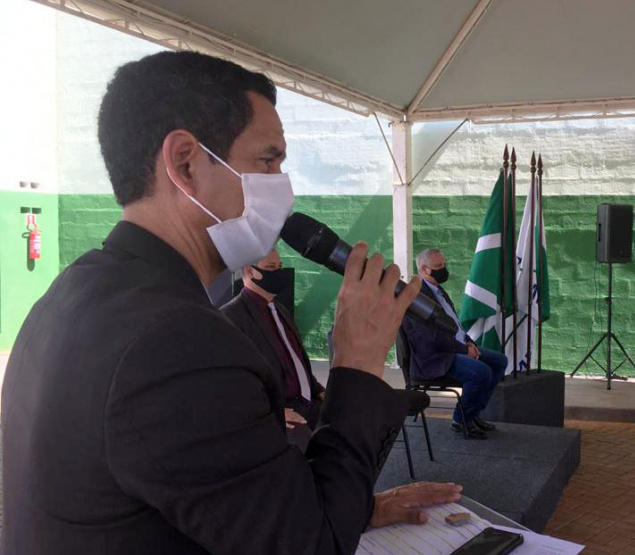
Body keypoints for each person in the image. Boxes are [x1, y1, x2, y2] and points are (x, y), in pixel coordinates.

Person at [1, 51, 461, 555]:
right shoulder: (176, 342)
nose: (283, 187)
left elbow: (203, 500)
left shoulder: (72, 293)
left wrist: (360, 508)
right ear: (185, 163)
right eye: (268, 161)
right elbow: (312, 547)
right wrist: (356, 366)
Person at [221, 249, 324, 449]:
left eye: (280, 267)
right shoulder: (231, 317)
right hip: (278, 411)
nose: (278, 273)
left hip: (309, 403)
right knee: (310, 455)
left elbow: (295, 360)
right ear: (250, 271)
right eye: (271, 268)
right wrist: (273, 411)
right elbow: (232, 382)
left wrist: (318, 390)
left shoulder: (281, 311)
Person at [401, 248, 508, 440]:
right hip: (434, 358)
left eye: (444, 264)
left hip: (454, 348)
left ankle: (473, 413)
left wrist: (469, 342)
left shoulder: (437, 290)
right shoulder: (415, 296)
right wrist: (463, 349)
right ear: (424, 269)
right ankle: (461, 420)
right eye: (438, 266)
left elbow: (455, 324)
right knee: (481, 372)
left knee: (499, 361)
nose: (443, 269)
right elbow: (430, 338)